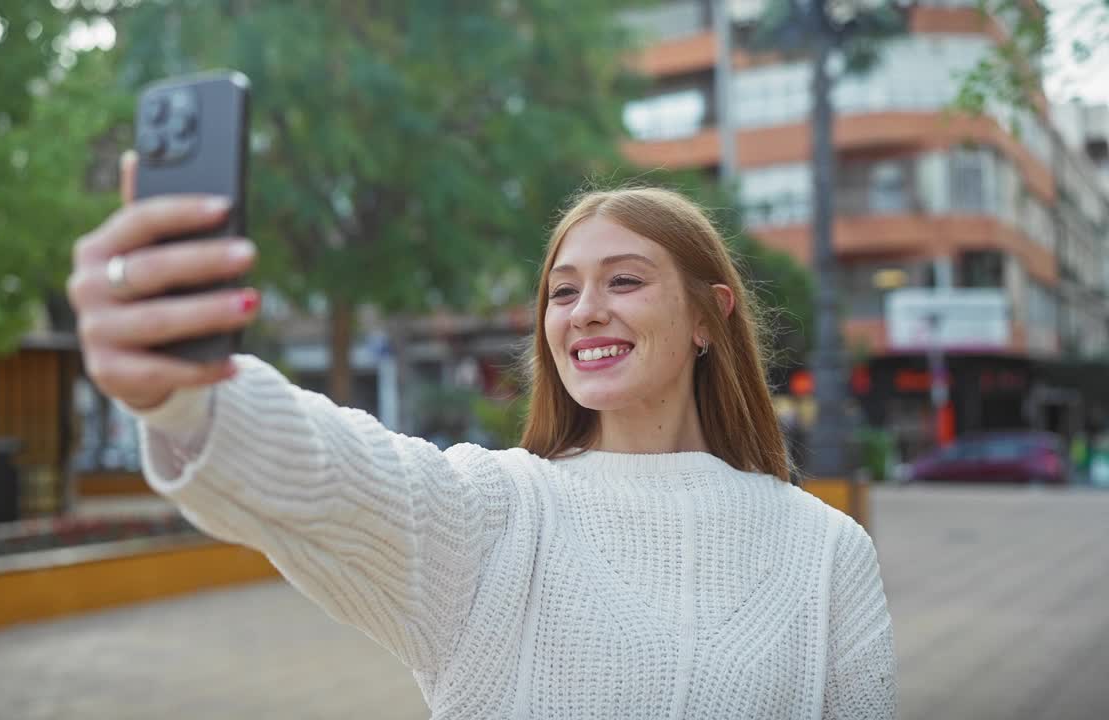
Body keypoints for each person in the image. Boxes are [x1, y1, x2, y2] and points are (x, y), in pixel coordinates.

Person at [67, 155, 897, 719]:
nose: (585, 311)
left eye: (626, 281)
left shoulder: (826, 552)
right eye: (561, 291)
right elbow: (339, 472)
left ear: (711, 317)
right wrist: (183, 390)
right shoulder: (499, 514)